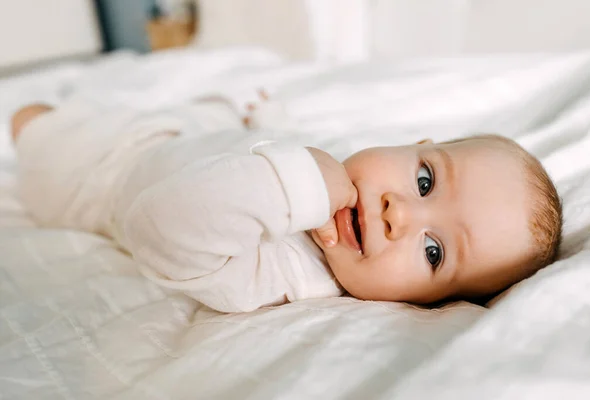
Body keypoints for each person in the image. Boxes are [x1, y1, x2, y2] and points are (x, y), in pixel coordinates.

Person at [10, 93, 562, 312]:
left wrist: (294, 185)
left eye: (435, 252)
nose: (400, 213)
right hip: (183, 138)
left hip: (101, 174)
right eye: (424, 181)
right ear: (415, 146)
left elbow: (157, 227)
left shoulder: (290, 275)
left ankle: (39, 119)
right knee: (213, 116)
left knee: (36, 127)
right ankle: (222, 110)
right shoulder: (351, 174)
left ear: (424, 305)